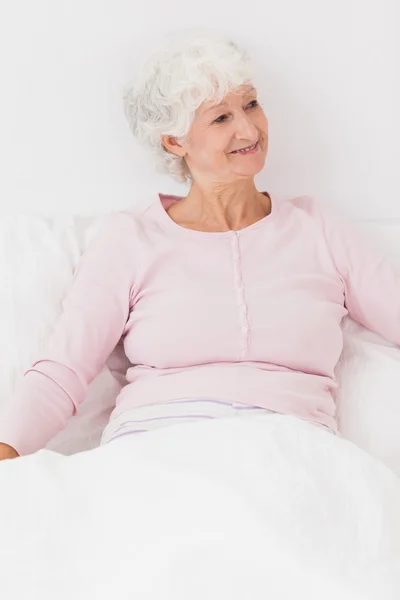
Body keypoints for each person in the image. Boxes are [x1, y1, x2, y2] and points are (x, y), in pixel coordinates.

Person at [0, 29, 399, 461]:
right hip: (156, 458)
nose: (248, 128)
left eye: (250, 104)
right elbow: (62, 372)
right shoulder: (130, 237)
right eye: (220, 118)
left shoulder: (318, 227)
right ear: (174, 141)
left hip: (292, 460)